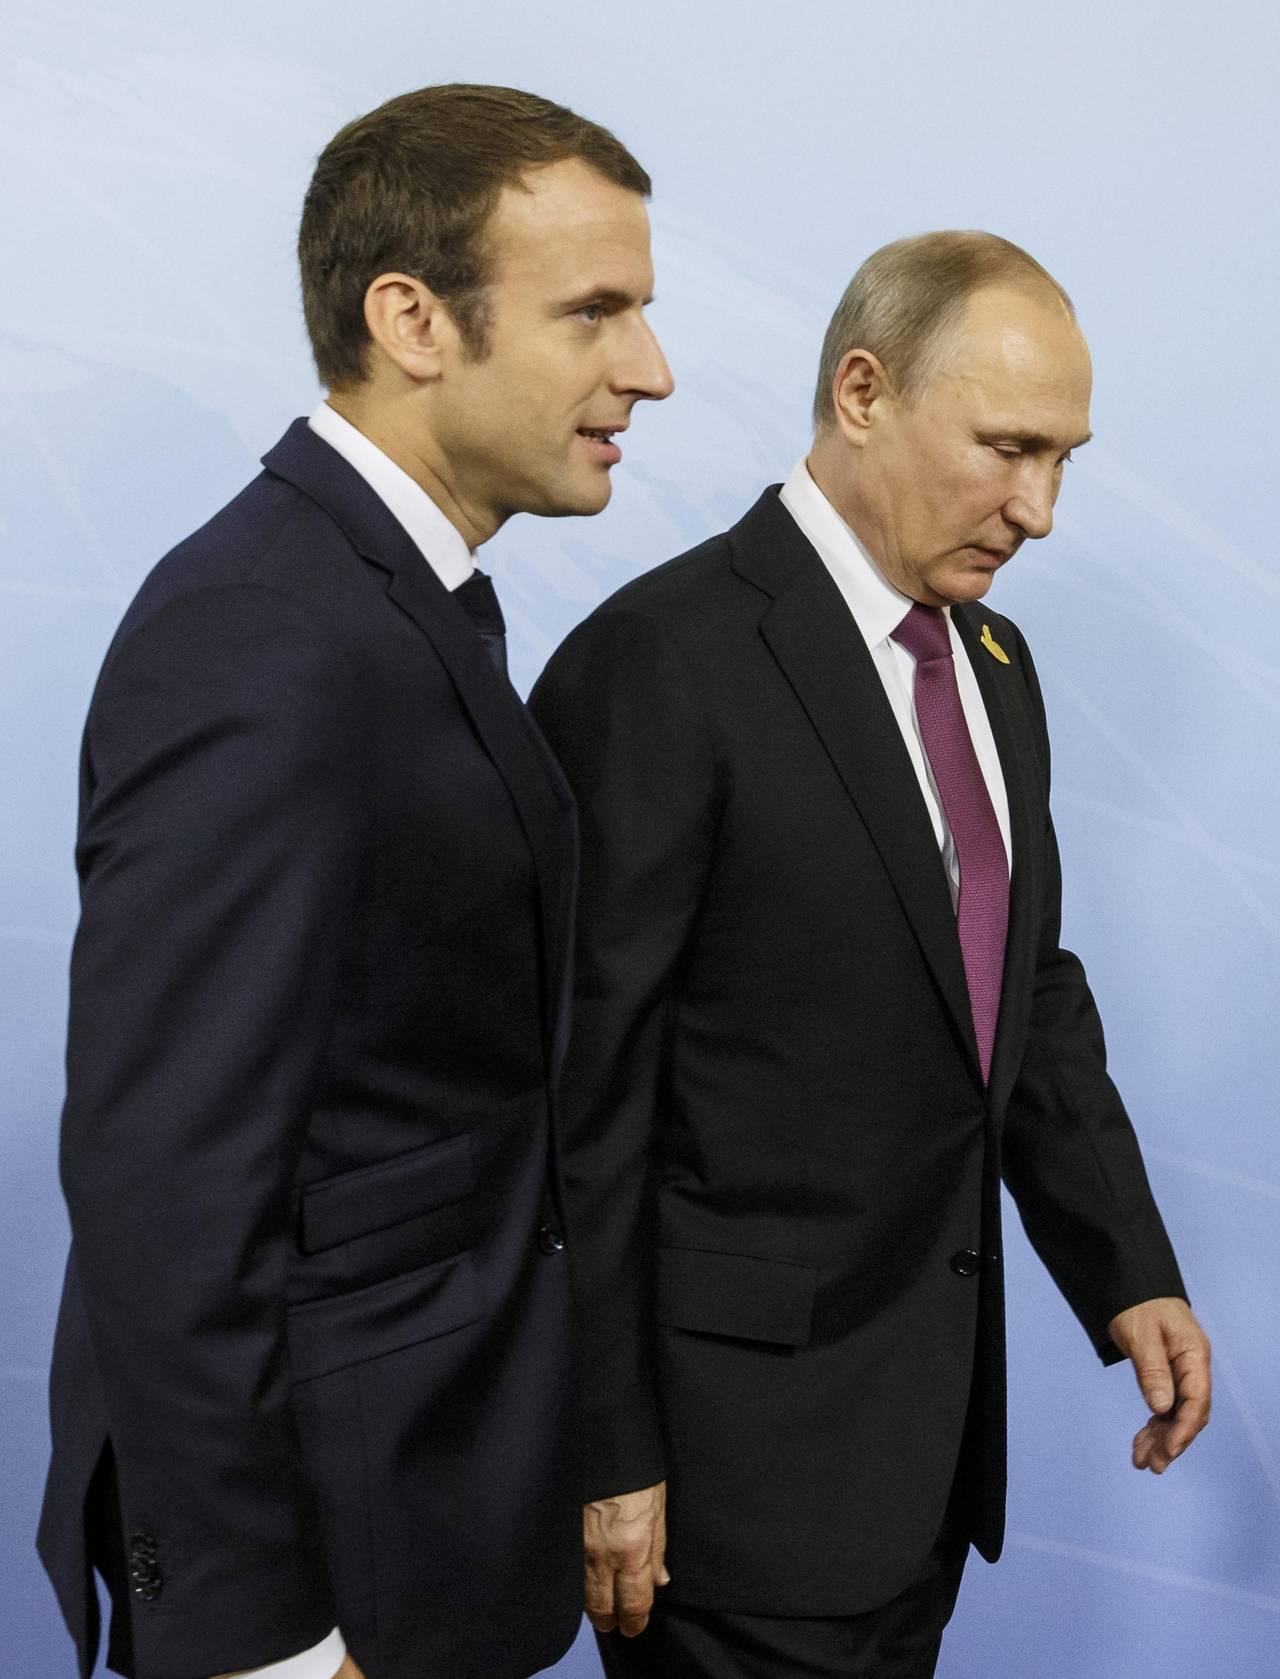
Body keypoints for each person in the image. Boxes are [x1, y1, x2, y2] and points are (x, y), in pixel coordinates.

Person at [37, 83, 672, 1679]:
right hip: (323, 1576)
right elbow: (164, 1179)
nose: (648, 369)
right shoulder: (262, 630)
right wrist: (263, 1642)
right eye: (593, 312)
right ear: (412, 321)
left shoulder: (393, 598)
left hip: (428, 1511)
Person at [528, 231, 1210, 1679]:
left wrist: (1126, 1267)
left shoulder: (996, 668)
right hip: (727, 1490)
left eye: (1065, 461)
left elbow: (1018, 987)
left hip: (923, 1471)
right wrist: (605, 1445)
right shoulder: (659, 663)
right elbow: (578, 1097)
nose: (1039, 510)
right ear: (861, 392)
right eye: (1008, 449)